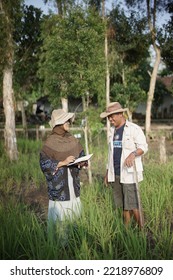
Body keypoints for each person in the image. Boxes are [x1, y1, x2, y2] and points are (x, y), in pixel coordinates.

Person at [100, 102, 148, 229]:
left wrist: (133, 154)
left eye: (112, 116)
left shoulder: (133, 129)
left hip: (129, 174)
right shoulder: (112, 131)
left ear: (120, 114)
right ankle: (126, 230)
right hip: (116, 173)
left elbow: (143, 147)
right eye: (108, 117)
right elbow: (111, 154)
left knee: (133, 204)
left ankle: (142, 231)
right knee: (122, 204)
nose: (110, 119)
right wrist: (107, 173)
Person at [39, 109, 87, 227]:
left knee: (74, 217)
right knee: (60, 221)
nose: (69, 122)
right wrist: (62, 162)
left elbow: (81, 155)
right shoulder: (50, 142)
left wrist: (82, 162)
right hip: (59, 188)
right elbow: (44, 164)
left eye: (69, 120)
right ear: (59, 124)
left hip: (73, 185)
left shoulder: (72, 139)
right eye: (66, 121)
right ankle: (61, 244)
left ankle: (73, 242)